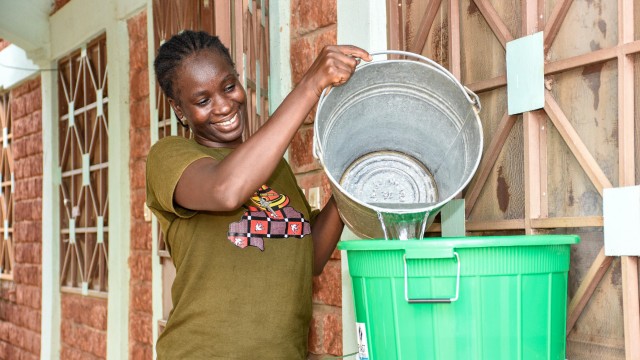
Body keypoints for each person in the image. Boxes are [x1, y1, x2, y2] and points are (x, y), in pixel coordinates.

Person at [146, 30, 371, 359]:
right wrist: (310, 85)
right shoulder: (170, 157)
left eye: (228, 86)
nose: (224, 105)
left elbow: (311, 257)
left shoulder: (274, 169)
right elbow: (226, 190)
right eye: (202, 100)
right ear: (179, 109)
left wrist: (352, 175)